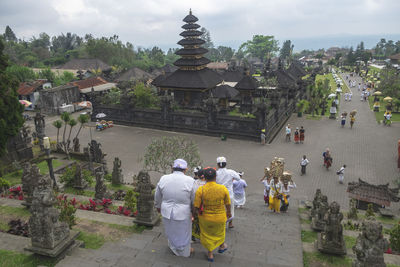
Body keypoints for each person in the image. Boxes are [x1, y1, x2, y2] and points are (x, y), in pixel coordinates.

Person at [154, 159, 195, 257]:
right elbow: (194, 198)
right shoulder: (190, 181)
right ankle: (183, 251)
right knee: (184, 232)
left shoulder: (164, 178)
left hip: (167, 210)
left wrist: (158, 206)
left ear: (172, 168)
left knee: (170, 229)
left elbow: (157, 195)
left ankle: (173, 247)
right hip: (183, 211)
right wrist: (193, 211)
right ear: (185, 169)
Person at [194, 167, 231, 262]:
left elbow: (196, 206)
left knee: (207, 234)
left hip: (205, 218)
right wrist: (229, 213)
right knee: (220, 232)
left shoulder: (200, 190)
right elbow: (228, 203)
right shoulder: (223, 188)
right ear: (216, 177)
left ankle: (210, 253)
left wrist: (194, 216)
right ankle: (222, 245)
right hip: (220, 217)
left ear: (204, 177)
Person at [216, 156, 240, 228]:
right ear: (225, 164)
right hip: (229, 193)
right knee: (230, 208)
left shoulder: (216, 173)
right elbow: (238, 178)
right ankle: (230, 223)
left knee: (221, 208)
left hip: (219, 193)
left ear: (217, 165)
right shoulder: (230, 172)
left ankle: (221, 222)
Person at [192, 167, 206, 241]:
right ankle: (203, 236)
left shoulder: (194, 183)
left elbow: (192, 194)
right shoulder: (208, 183)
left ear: (198, 175)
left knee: (195, 221)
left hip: (196, 206)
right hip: (205, 207)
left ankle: (193, 236)